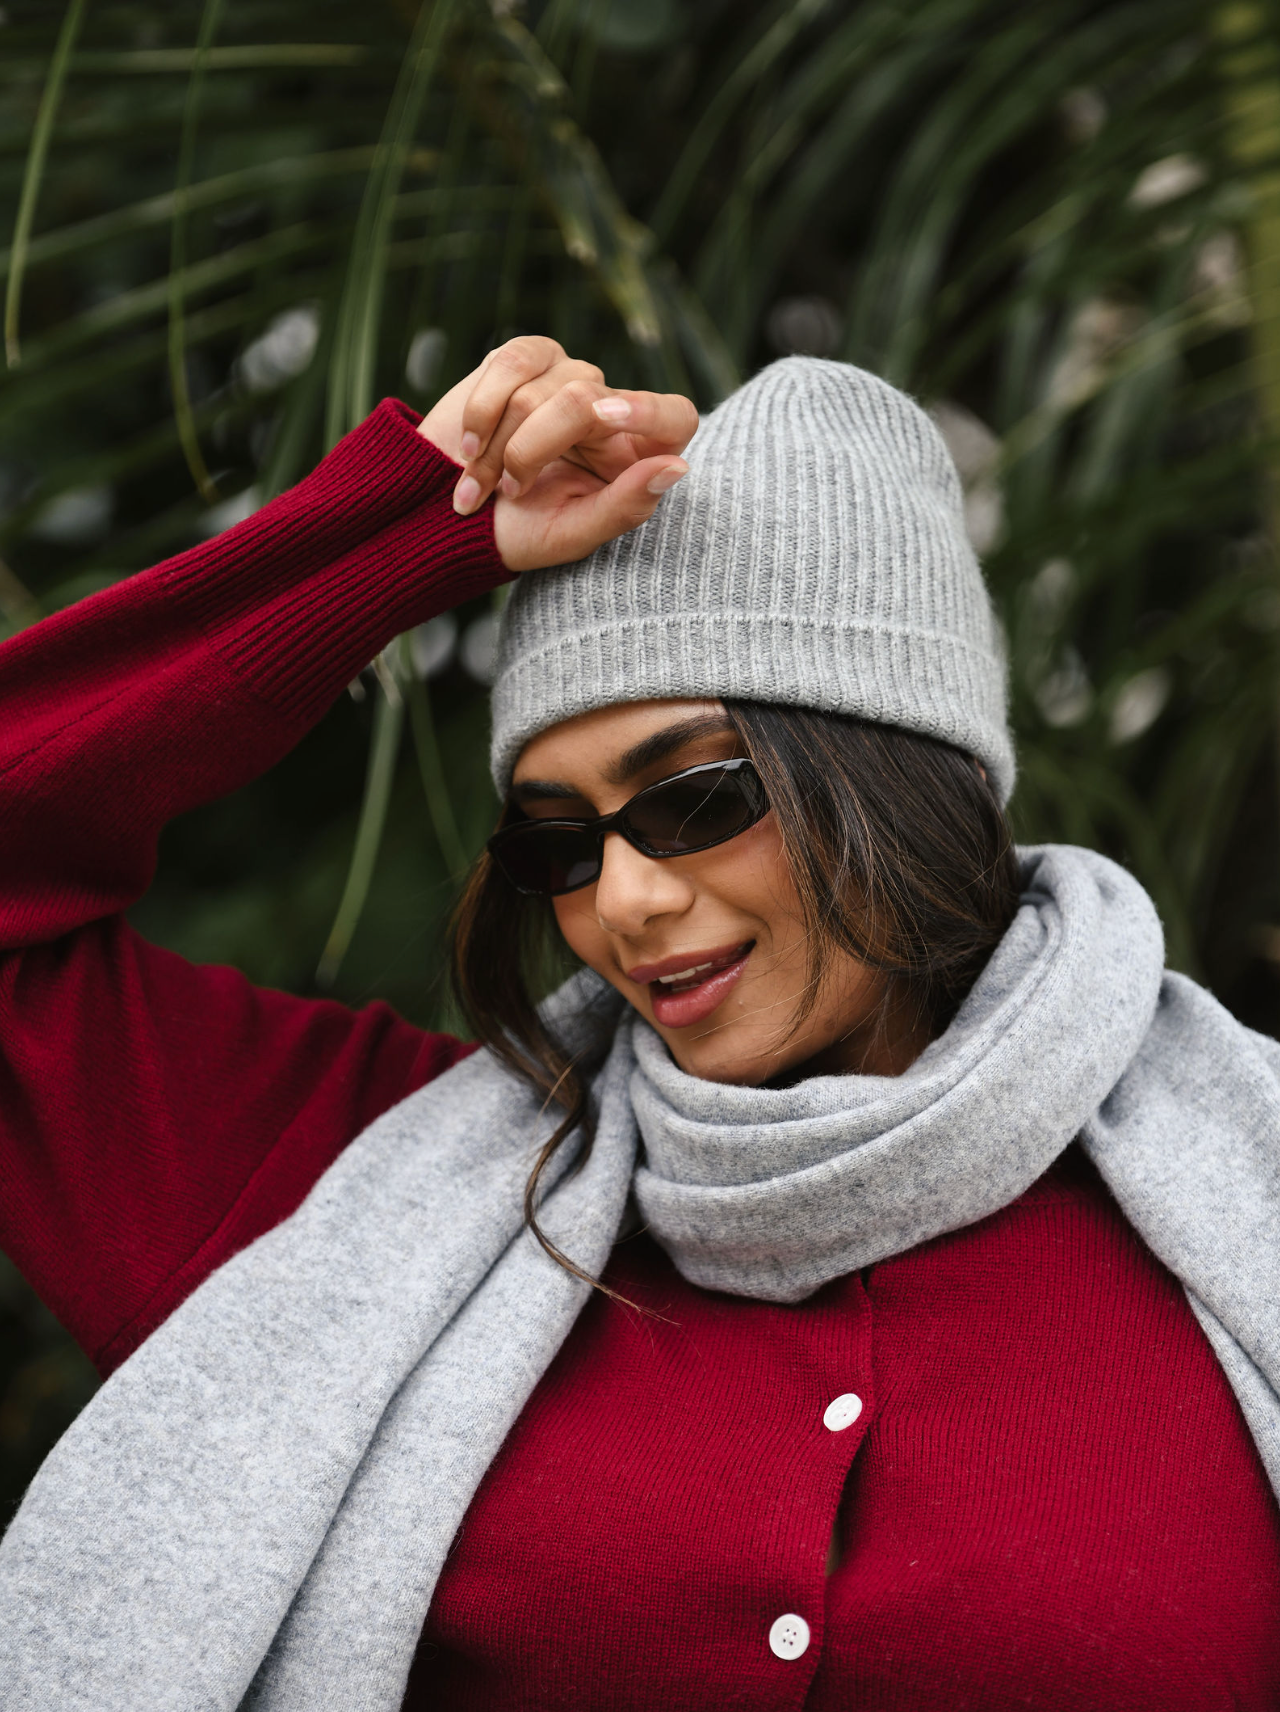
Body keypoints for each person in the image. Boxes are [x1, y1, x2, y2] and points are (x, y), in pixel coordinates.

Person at [0, 336, 1277, 1712]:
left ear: (908, 775)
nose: (626, 899)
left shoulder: (1239, 1208)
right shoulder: (336, 1191)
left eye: (698, 797)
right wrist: (400, 541)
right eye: (557, 843)